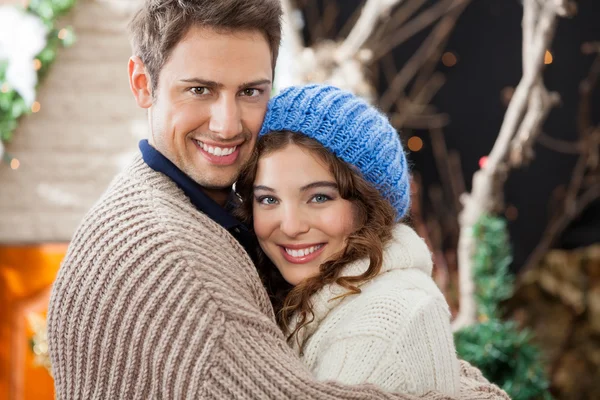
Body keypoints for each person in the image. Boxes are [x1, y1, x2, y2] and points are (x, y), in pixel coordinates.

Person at [47, 0, 510, 398]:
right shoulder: (175, 256)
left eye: (250, 91)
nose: (227, 125)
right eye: (199, 90)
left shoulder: (195, 208)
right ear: (143, 83)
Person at [234, 84, 459, 396]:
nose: (291, 226)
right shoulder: (297, 295)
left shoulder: (381, 325)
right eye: (268, 200)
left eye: (319, 197)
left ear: (368, 205)